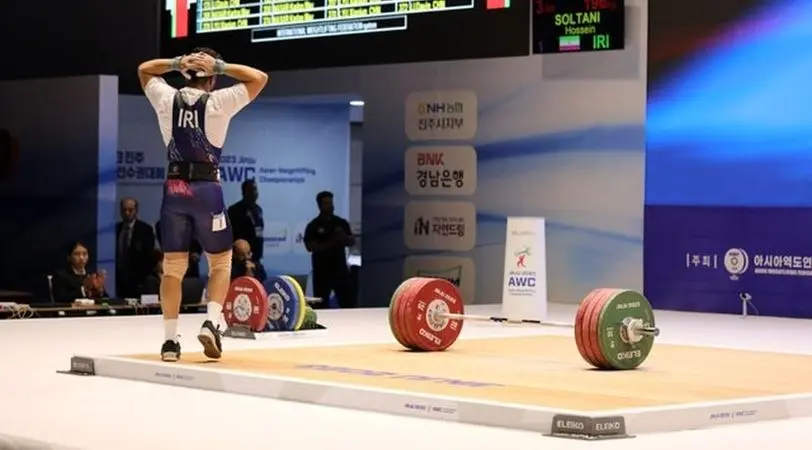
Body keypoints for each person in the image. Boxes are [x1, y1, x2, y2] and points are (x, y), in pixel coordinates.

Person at [138, 47, 268, 361]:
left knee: (173, 269)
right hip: (207, 189)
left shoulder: (166, 98)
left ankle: (170, 343)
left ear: (185, 74)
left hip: (175, 189)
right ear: (211, 80)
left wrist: (174, 63)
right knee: (221, 262)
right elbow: (259, 78)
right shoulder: (219, 102)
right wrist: (221, 66)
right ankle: (211, 322)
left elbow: (144, 70)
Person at [303, 191, 355, 309]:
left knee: (347, 303)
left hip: (340, 270)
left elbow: (352, 241)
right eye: (326, 203)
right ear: (319, 205)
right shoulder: (313, 225)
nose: (330, 206)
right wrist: (330, 243)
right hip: (322, 272)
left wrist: (343, 237)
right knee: (321, 305)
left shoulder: (341, 223)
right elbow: (309, 246)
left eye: (331, 203)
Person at [116, 198, 156, 298]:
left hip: (139, 281)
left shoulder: (145, 230)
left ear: (136, 211)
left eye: (130, 210)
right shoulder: (116, 229)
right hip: (119, 281)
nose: (127, 213)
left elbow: (148, 256)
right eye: (124, 210)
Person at [227, 179, 264, 262]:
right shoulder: (235, 210)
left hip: (256, 257)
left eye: (256, 189)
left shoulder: (258, 210)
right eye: (252, 189)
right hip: (241, 258)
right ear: (244, 192)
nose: (255, 192)